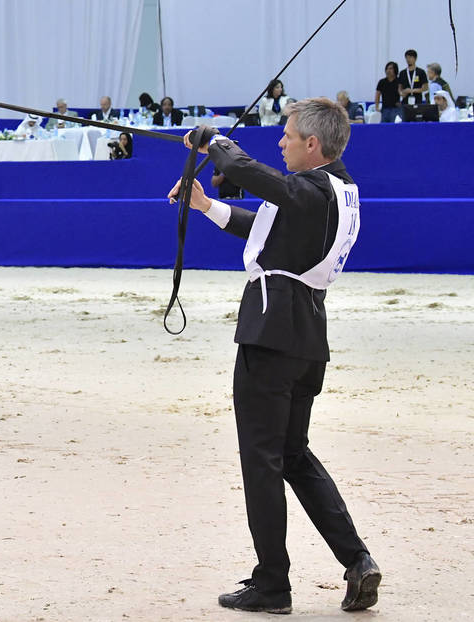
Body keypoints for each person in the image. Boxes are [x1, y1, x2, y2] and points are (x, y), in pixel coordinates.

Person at [168, 98, 380, 615]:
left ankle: (272, 584)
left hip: (272, 329)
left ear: (313, 145)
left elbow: (244, 169)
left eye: (287, 136)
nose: (280, 143)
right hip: (307, 334)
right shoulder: (336, 191)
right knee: (291, 454)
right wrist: (206, 206)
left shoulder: (308, 189)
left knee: (261, 460)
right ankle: (357, 561)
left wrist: (211, 139)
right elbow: (267, 227)